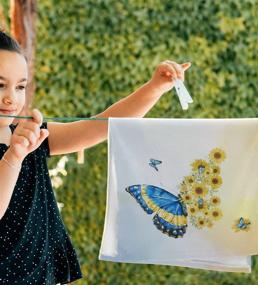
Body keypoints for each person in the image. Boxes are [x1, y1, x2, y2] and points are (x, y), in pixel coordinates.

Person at [0, 31, 191, 284]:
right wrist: (13, 157)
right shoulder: (22, 144)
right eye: (0, 84)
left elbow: (100, 126)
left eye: (20, 86)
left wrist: (154, 88)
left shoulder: (32, 135)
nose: (11, 98)